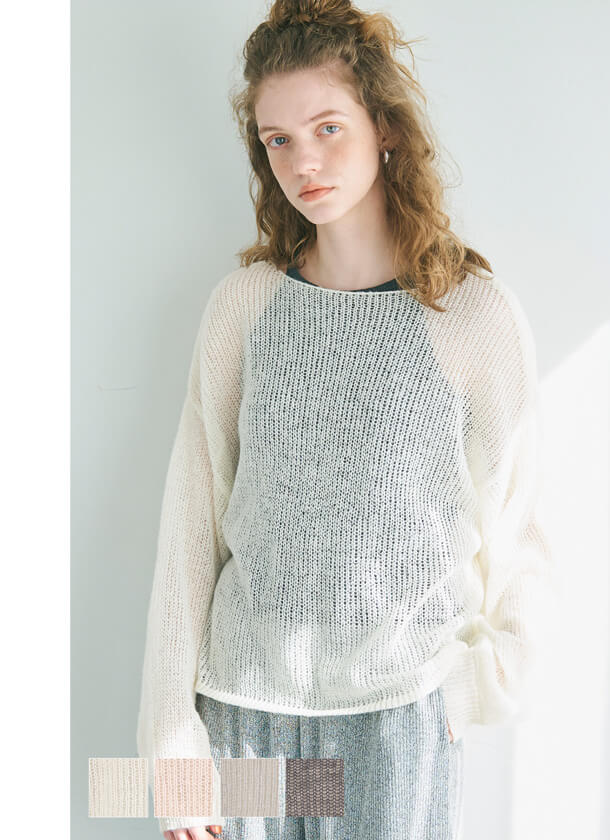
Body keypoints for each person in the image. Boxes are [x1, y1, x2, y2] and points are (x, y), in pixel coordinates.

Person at [136, 1, 553, 838]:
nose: (304, 162)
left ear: (384, 128)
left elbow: (518, 529)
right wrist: (170, 747)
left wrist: (476, 685)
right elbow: (190, 528)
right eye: (278, 140)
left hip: (398, 728)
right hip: (243, 716)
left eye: (328, 127)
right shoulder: (245, 307)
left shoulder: (471, 315)